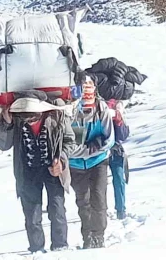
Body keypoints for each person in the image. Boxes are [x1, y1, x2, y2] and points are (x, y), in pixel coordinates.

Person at [0, 95, 72, 253]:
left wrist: (61, 160)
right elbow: (4, 145)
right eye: (25, 118)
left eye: (33, 117)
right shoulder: (15, 118)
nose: (29, 121)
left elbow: (70, 140)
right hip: (27, 170)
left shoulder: (56, 114)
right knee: (32, 213)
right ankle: (36, 248)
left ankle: (60, 246)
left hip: (52, 168)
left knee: (57, 209)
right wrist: (7, 123)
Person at [65, 78, 119, 248]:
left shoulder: (102, 109)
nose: (87, 104)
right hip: (76, 165)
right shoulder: (71, 112)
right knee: (83, 202)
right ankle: (87, 237)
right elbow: (69, 146)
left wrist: (89, 150)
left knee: (99, 200)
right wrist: (88, 149)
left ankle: (98, 236)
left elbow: (109, 140)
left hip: (98, 162)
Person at [106, 98, 131, 220]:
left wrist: (119, 120)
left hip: (115, 150)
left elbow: (123, 135)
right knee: (97, 182)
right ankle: (99, 209)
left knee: (119, 178)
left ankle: (121, 209)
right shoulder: (96, 106)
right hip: (99, 151)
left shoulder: (118, 107)